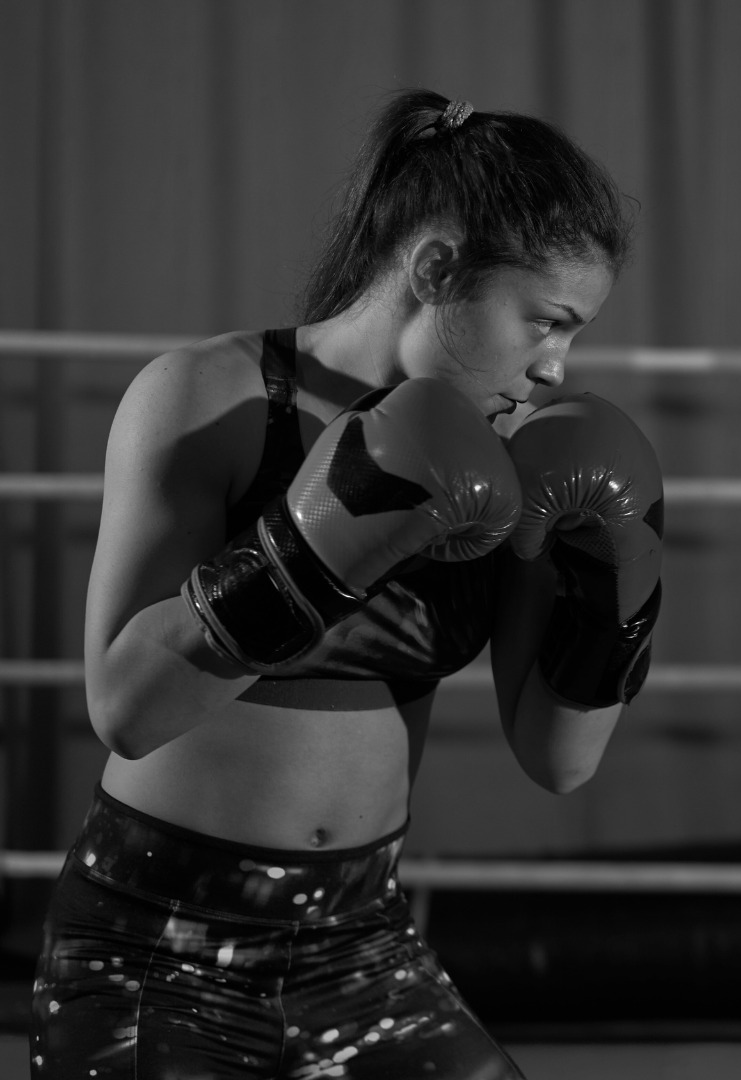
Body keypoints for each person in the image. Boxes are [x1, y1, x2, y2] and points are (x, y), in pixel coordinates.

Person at [31, 90, 663, 1079]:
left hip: (360, 946)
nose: (555, 367)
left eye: (572, 335)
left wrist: (617, 589)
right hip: (159, 946)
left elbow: (559, 760)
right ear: (436, 268)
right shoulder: (215, 400)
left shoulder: (518, 463)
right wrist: (312, 548)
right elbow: (125, 710)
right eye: (544, 322)